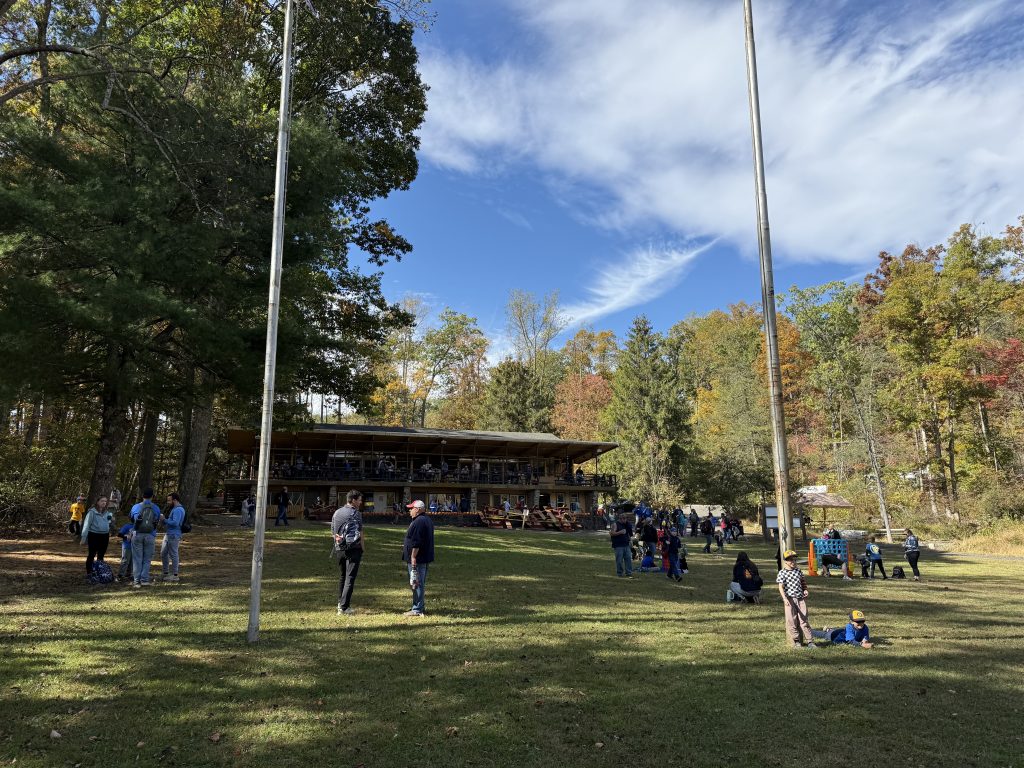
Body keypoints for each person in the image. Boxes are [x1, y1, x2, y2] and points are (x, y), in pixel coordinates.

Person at [331, 490, 364, 615]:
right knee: (350, 578)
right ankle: (344, 607)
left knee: (343, 576)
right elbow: (360, 532)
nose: (360, 502)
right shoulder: (356, 514)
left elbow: (333, 531)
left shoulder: (337, 512)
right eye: (359, 500)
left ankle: (340, 603)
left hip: (339, 548)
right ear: (353, 500)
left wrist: (338, 542)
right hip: (353, 549)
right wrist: (362, 547)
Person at [777, 549, 815, 649]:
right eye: (790, 560)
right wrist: (784, 598)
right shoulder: (782, 573)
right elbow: (780, 587)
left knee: (804, 620)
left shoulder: (798, 571)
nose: (793, 562)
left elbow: (802, 581)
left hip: (800, 598)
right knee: (791, 620)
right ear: (785, 561)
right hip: (789, 599)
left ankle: (810, 641)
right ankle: (796, 641)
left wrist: (805, 589)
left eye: (794, 560)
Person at [402, 499, 435, 616]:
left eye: (411, 508)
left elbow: (417, 541)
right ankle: (419, 606)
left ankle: (417, 609)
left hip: (418, 558)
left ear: (418, 509)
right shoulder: (426, 520)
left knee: (416, 583)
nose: (409, 511)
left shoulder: (419, 521)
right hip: (423, 557)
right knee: (418, 583)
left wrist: (413, 557)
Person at [130, 488, 162, 588]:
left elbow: (131, 519)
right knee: (147, 559)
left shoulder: (135, 507)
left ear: (142, 496)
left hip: (137, 534)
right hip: (150, 535)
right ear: (152, 496)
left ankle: (136, 581)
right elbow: (157, 521)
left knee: (137, 558)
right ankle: (144, 580)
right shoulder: (156, 508)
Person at [81, 495, 114, 576]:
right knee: (92, 554)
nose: (104, 503)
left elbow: (108, 523)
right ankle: (89, 573)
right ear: (97, 502)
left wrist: (111, 521)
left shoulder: (107, 512)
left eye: (105, 501)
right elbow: (86, 525)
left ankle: (100, 572)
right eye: (102, 501)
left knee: (101, 555)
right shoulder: (92, 512)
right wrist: (83, 538)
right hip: (94, 535)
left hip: (105, 536)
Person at [160, 492, 186, 584]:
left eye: (169, 500)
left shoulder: (178, 510)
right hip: (169, 534)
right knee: (163, 553)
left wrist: (164, 519)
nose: (168, 502)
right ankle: (166, 573)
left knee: (173, 554)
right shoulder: (174, 509)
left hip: (174, 535)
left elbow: (175, 523)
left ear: (175, 500)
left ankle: (175, 575)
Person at [609, 511, 633, 578]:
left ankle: (629, 572)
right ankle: (620, 573)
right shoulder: (615, 524)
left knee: (628, 559)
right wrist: (620, 532)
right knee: (619, 560)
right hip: (618, 545)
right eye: (624, 519)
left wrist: (630, 540)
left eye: (626, 519)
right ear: (621, 519)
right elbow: (611, 533)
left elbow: (628, 533)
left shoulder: (626, 524)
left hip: (626, 544)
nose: (625, 520)